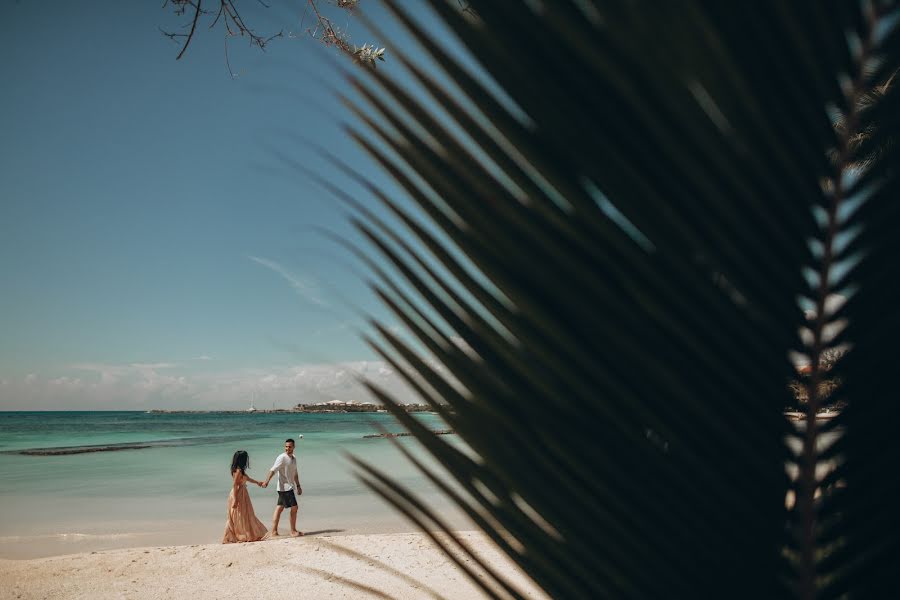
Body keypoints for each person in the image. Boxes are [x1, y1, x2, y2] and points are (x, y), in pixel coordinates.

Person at [222, 450, 269, 543]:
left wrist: (257, 483)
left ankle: (245, 534)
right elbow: (235, 485)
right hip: (238, 494)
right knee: (240, 515)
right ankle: (241, 535)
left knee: (244, 515)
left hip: (242, 493)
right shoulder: (238, 471)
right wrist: (235, 499)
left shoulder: (239, 470)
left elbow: (248, 479)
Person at [261, 438, 303, 537]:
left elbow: (295, 473)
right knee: (294, 507)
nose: (287, 448)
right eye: (286, 446)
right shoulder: (282, 457)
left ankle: (274, 531)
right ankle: (293, 531)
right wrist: (267, 481)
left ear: (294, 447)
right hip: (285, 487)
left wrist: (298, 485)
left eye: (289, 446)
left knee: (279, 508)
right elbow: (273, 470)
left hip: (289, 487)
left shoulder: (294, 458)